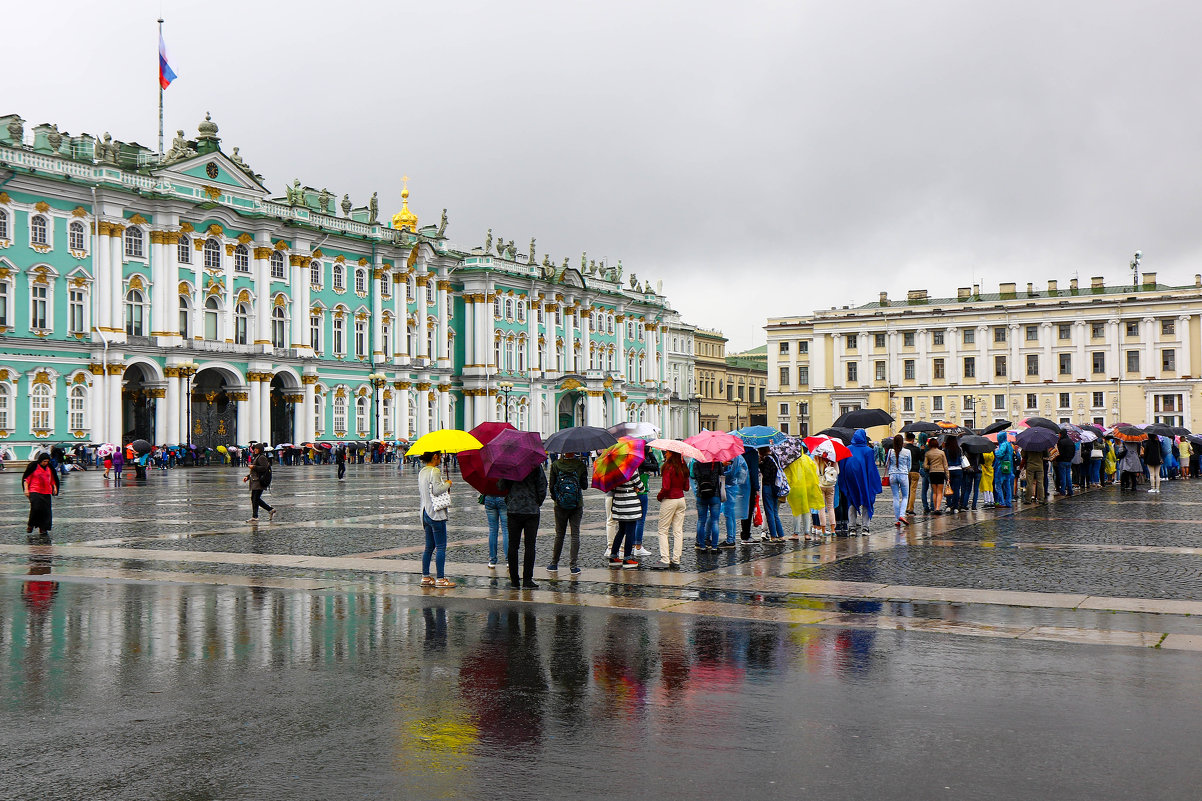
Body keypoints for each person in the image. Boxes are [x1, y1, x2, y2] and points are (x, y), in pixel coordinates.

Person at [499, 461, 547, 589]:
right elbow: (542, 486)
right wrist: (537, 502)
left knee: (513, 546)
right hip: (531, 510)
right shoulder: (535, 464)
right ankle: (527, 580)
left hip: (514, 509)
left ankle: (514, 581)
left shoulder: (509, 465)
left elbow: (501, 486)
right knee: (530, 546)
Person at [417, 451, 455, 588]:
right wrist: (448, 484)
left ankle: (425, 577)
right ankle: (440, 579)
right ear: (435, 457)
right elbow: (437, 491)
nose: (440, 459)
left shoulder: (422, 472)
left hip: (424, 512)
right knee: (441, 546)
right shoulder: (435, 471)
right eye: (439, 456)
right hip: (435, 513)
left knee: (428, 547)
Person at [547, 451, 587, 576]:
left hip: (560, 505)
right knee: (575, 535)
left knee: (559, 534)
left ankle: (554, 564)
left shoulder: (555, 465)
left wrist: (558, 499)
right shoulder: (580, 465)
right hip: (577, 504)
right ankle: (573, 566)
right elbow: (584, 486)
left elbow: (551, 487)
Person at [838, 430, 883, 533]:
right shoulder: (868, 450)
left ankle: (852, 527)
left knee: (852, 501)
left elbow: (843, 466)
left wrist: (843, 480)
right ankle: (865, 527)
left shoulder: (848, 449)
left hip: (850, 480)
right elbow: (871, 468)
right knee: (867, 501)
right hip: (864, 480)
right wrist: (874, 484)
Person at [654, 451, 690, 569]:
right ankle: (676, 559)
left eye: (667, 452)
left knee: (663, 530)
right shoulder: (683, 467)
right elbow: (686, 487)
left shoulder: (668, 467)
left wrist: (659, 496)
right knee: (678, 531)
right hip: (681, 500)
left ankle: (665, 559)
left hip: (670, 500)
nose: (665, 454)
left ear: (672, 454)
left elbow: (666, 487)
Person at [608, 474, 643, 569]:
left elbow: (611, 489)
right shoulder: (631, 472)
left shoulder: (613, 474)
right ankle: (627, 558)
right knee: (630, 532)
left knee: (621, 530)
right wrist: (634, 488)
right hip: (630, 507)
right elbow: (642, 487)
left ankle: (613, 556)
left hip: (619, 506)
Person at [23, 452, 59, 539]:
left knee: (46, 511)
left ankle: (43, 528)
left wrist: (55, 487)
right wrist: (26, 489)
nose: (46, 463)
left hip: (46, 491)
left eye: (47, 461)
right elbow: (26, 479)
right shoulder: (34, 467)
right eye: (44, 461)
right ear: (40, 460)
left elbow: (52, 479)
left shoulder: (49, 468)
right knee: (36, 508)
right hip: (34, 490)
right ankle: (31, 525)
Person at [691, 459, 724, 551]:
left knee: (701, 521)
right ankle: (714, 547)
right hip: (715, 495)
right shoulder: (717, 463)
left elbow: (693, 477)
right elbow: (722, 475)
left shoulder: (696, 464)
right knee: (715, 521)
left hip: (701, 495)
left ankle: (702, 546)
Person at [243, 443, 276, 523]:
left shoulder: (261, 457)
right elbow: (255, 470)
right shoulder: (257, 457)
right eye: (254, 448)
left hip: (259, 481)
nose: (254, 450)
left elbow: (264, 468)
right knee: (255, 498)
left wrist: (253, 466)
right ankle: (269, 510)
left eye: (256, 449)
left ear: (260, 449)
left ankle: (256, 516)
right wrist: (248, 477)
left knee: (255, 498)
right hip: (255, 480)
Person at [758, 447, 786, 542]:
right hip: (776, 487)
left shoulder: (767, 459)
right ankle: (781, 535)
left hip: (768, 487)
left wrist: (760, 464)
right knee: (774, 512)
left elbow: (766, 474)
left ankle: (773, 536)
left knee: (769, 512)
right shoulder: (775, 457)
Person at [721, 453, 749, 547]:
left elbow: (731, 474)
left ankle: (730, 539)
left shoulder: (733, 457)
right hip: (733, 487)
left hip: (729, 487)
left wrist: (720, 471)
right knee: (731, 514)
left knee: (728, 514)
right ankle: (731, 538)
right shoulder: (738, 456)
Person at [885, 434, 911, 526]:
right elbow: (909, 465)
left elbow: (887, 464)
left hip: (892, 475)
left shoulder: (890, 451)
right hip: (903, 474)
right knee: (905, 496)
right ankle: (902, 515)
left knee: (895, 497)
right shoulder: (907, 452)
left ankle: (897, 520)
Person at [482, 492, 509, 570]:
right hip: (503, 497)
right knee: (506, 530)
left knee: (492, 530)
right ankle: (509, 560)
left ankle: (492, 560)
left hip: (489, 497)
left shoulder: (488, 479)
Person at [815, 453, 839, 536]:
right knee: (831, 507)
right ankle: (833, 530)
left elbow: (816, 473)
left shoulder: (817, 458)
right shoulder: (833, 459)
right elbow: (837, 472)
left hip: (821, 485)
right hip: (831, 485)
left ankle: (823, 530)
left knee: (821, 507)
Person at [923, 438, 949, 515]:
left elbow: (925, 465)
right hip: (940, 472)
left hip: (932, 473)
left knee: (934, 492)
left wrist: (930, 467)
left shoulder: (928, 453)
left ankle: (934, 508)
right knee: (940, 492)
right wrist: (947, 476)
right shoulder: (941, 453)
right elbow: (945, 465)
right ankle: (938, 507)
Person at [993, 432, 1015, 508]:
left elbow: (1000, 454)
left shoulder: (1003, 445)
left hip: (1001, 467)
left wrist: (995, 451)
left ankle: (1001, 502)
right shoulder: (1009, 445)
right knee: (1007, 485)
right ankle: (1008, 502)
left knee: (998, 485)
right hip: (1008, 467)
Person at [904, 433, 922, 518]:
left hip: (906, 471)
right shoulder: (916, 449)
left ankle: (906, 507)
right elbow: (921, 459)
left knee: (906, 490)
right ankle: (910, 508)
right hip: (915, 470)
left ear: (906, 438)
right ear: (913, 439)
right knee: (913, 490)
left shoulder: (904, 449)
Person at [944, 436, 964, 513]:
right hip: (958, 470)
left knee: (949, 488)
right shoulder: (959, 450)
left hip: (949, 470)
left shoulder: (946, 450)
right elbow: (961, 459)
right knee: (956, 489)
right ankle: (955, 507)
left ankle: (949, 505)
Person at [1053, 431, 1075, 497]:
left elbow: (1059, 452)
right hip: (1069, 461)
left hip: (1062, 461)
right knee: (1068, 476)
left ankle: (1062, 491)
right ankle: (1070, 491)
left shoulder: (1061, 442)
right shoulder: (1071, 441)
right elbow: (1074, 451)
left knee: (1063, 477)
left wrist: (1057, 459)